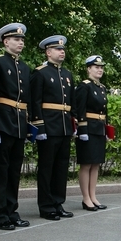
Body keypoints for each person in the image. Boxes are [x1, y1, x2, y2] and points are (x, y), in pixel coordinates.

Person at [0, 23, 32, 231]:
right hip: (3, 120)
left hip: (19, 121)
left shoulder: (24, 67)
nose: (20, 43)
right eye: (16, 39)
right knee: (2, 170)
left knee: (14, 170)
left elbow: (26, 99)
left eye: (22, 40)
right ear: (6, 42)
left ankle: (12, 211)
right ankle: (0, 215)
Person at [30, 35, 76, 221]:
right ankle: (46, 206)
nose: (62, 51)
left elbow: (70, 103)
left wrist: (73, 126)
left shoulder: (67, 75)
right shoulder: (40, 73)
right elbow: (35, 102)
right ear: (48, 52)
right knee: (47, 167)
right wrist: (39, 126)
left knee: (61, 168)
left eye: (63, 49)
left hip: (64, 126)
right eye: (58, 49)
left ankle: (58, 202)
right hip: (48, 126)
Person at [74, 55, 109, 211]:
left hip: (99, 128)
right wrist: (82, 129)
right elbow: (78, 109)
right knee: (86, 164)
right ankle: (86, 198)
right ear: (88, 69)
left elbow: (105, 111)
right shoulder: (84, 86)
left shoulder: (101, 88)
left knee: (95, 164)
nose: (99, 70)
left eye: (101, 67)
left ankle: (93, 196)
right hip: (87, 128)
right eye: (96, 67)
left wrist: (107, 129)